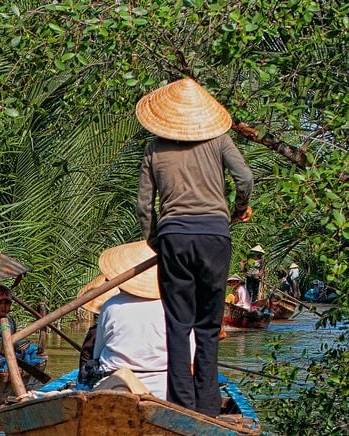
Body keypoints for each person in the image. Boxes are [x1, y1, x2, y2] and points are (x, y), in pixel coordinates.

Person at [135, 77, 254, 416]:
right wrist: (236, 210)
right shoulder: (219, 139)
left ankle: (181, 407)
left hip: (174, 236)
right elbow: (244, 179)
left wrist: (156, 239)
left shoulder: (154, 148)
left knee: (178, 325)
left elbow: (144, 206)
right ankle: (208, 408)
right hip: (216, 236)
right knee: (207, 325)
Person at [81, 241, 193, 400]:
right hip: (164, 390)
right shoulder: (177, 307)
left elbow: (97, 354)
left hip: (114, 387)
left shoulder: (111, 305)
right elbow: (189, 360)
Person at [0, 285, 45, 369]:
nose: (3, 306)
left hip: (6, 351)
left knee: (30, 348)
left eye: (7, 303)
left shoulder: (11, 321)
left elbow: (12, 339)